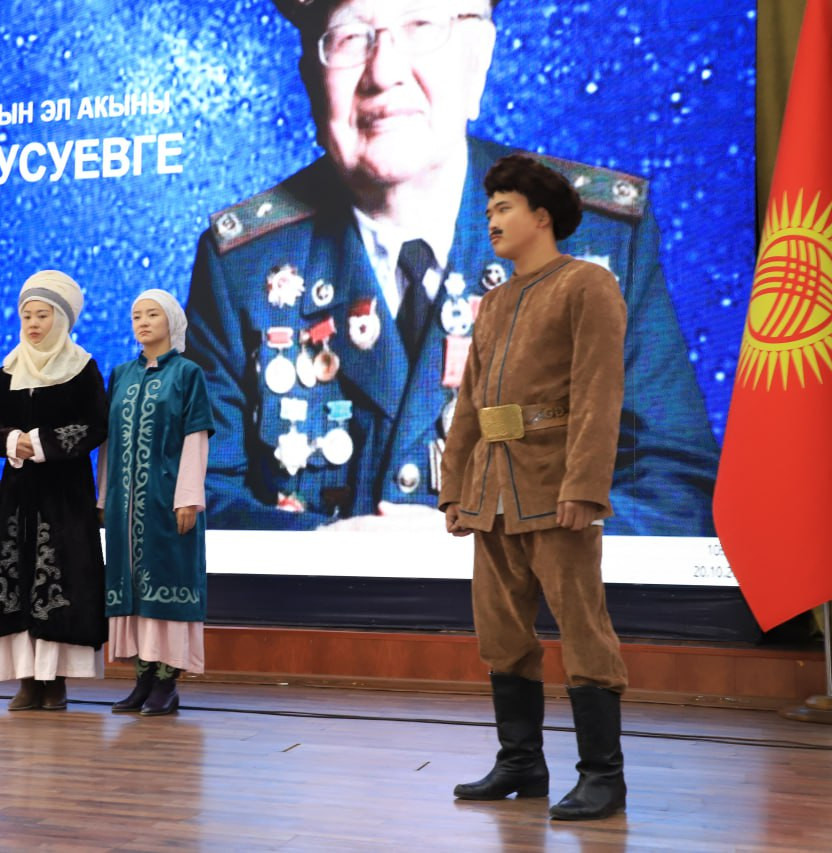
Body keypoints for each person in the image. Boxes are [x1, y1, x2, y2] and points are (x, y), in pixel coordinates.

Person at [184, 0, 718, 535]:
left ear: (477, 57)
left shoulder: (594, 239)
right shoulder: (244, 267)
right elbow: (194, 502)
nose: (384, 72)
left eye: (420, 25)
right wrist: (323, 554)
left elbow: (674, 494)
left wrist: (493, 548)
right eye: (349, 36)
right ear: (310, 77)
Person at [441, 154, 628, 821]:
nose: (491, 220)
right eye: (488, 209)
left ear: (542, 216)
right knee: (500, 631)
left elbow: (599, 393)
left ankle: (603, 775)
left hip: (556, 488)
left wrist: (585, 485)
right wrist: (454, 489)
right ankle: (521, 760)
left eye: (504, 208)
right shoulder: (493, 302)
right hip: (491, 493)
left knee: (583, 628)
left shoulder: (587, 285)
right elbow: (470, 403)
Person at [0, 270, 108, 711]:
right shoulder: (10, 369)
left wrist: (45, 443)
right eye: (27, 315)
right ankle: (28, 681)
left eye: (42, 315)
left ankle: (57, 681)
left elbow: (97, 424)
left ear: (62, 318)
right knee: (18, 579)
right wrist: (11, 440)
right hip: (19, 495)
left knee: (63, 578)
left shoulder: (82, 367)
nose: (33, 324)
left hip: (65, 495)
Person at [98, 290, 214, 716]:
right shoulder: (121, 375)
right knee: (134, 595)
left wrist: (189, 497)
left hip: (168, 502)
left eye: (152, 315)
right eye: (136, 316)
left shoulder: (187, 374)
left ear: (171, 321)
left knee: (167, 589)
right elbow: (109, 442)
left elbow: (195, 436)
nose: (143, 322)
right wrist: (104, 495)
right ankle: (143, 680)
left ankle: (167, 683)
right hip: (124, 507)